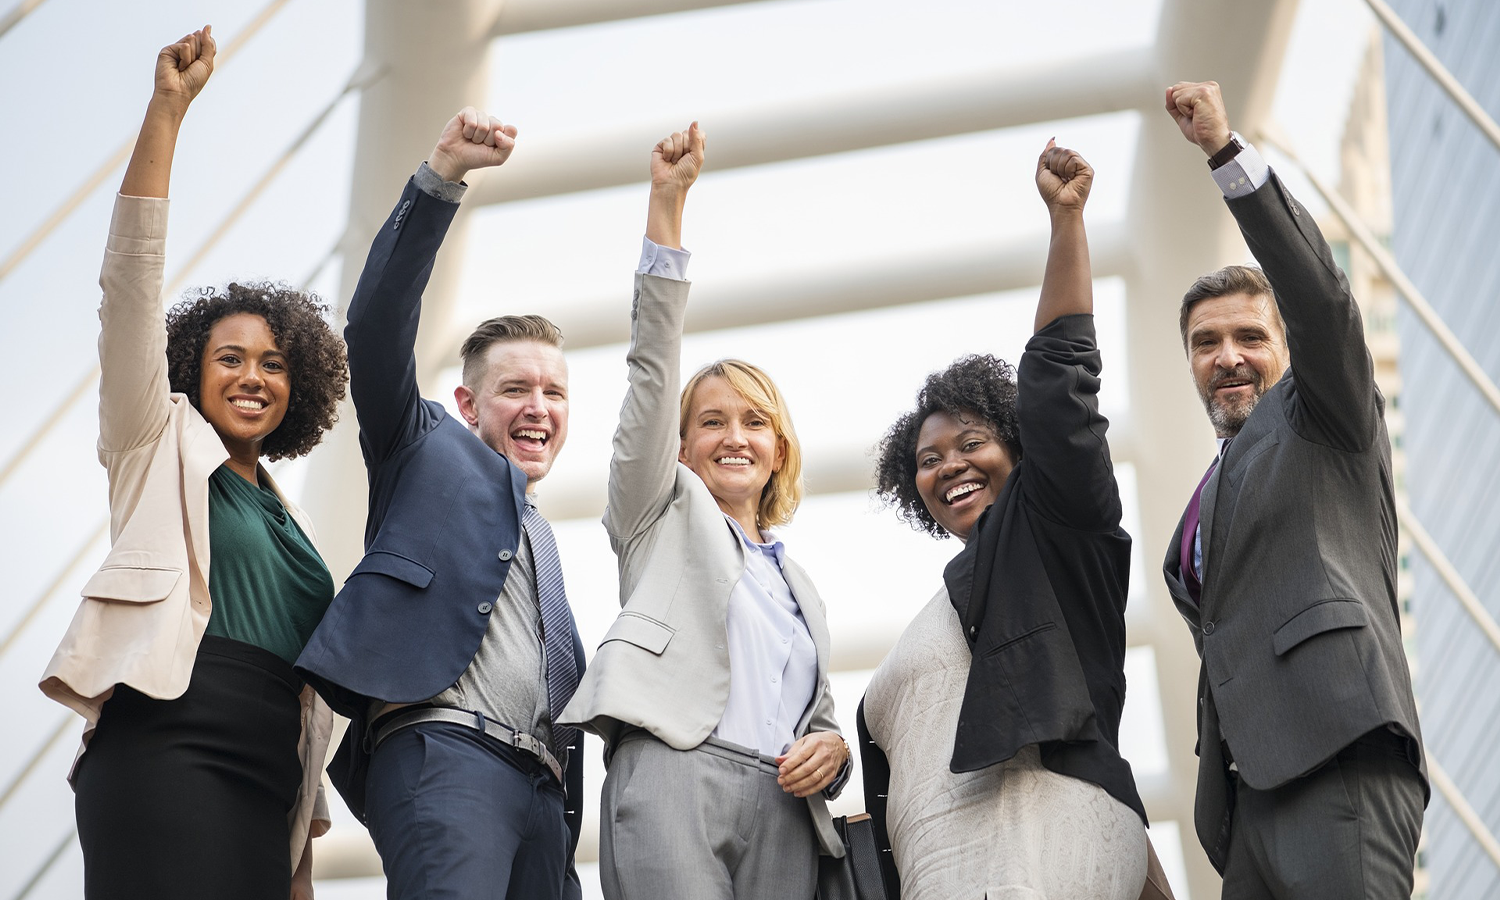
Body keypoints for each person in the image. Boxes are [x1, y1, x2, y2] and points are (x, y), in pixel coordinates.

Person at [39, 27, 349, 900]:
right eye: (230, 358)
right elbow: (129, 282)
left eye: (275, 363)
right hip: (166, 742)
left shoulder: (295, 523)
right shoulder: (153, 441)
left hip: (271, 778)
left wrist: (301, 864)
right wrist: (167, 112)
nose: (253, 376)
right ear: (190, 370)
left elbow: (308, 707)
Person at [293, 106, 586, 900]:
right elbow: (377, 327)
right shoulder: (421, 446)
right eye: (515, 388)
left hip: (544, 792)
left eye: (554, 392)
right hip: (445, 755)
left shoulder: (540, 537)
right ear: (465, 404)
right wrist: (441, 179)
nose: (537, 407)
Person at [558, 123, 850, 900]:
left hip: (784, 809)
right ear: (680, 449)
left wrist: (832, 748)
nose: (734, 436)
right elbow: (654, 370)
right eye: (712, 421)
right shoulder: (659, 514)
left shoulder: (801, 587)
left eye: (755, 422)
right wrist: (667, 207)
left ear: (779, 449)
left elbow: (814, 712)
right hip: (676, 772)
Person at [862, 141, 1151, 900]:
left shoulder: (1053, 529)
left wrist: (1066, 220)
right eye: (928, 459)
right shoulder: (960, 589)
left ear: (1021, 452)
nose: (948, 464)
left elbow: (1060, 382)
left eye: (971, 442)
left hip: (1034, 839)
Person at [1160, 81, 1426, 898]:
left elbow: (1322, 302)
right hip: (1248, 808)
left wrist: (1223, 154)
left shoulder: (1324, 417)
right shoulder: (1204, 501)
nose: (1228, 356)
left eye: (1251, 335)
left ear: (1287, 346)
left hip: (1338, 757)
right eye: (1207, 343)